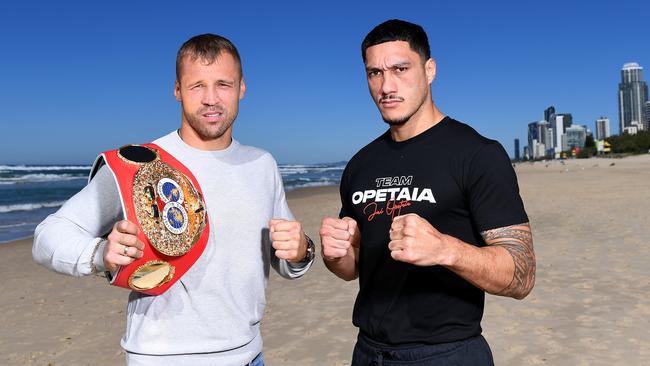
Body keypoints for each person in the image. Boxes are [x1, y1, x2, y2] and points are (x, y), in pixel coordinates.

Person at [33, 33, 315, 365]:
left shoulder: (262, 165)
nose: (211, 99)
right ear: (177, 90)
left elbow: (286, 260)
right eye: (197, 86)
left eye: (223, 84)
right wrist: (100, 255)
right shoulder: (141, 165)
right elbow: (47, 236)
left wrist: (301, 251)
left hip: (249, 355)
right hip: (162, 357)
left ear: (241, 88)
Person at [319, 19, 536, 365]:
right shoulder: (361, 164)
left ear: (430, 69)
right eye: (374, 73)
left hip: (448, 352)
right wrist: (336, 255)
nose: (387, 85)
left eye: (400, 69)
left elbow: (521, 274)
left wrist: (445, 249)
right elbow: (353, 268)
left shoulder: (477, 154)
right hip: (368, 352)